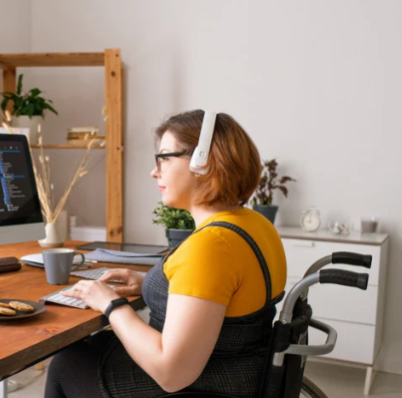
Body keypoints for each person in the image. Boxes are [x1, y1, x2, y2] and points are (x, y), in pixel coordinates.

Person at [45, 110, 287, 398]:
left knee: (67, 364)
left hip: (203, 385)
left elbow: (172, 373)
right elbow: (221, 293)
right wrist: (152, 282)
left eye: (164, 157)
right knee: (89, 348)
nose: (154, 171)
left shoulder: (211, 245)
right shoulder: (254, 223)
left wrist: (110, 304)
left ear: (203, 163)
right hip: (240, 374)